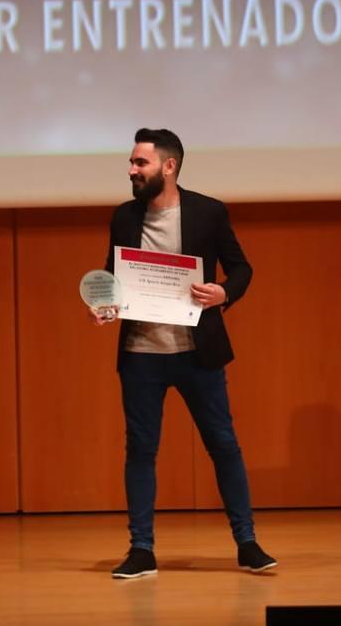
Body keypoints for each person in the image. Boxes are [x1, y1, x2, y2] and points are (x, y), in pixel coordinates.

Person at [99, 128, 277, 579]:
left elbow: (241, 267)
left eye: (141, 163)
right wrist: (104, 304)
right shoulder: (123, 217)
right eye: (132, 162)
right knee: (140, 449)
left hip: (198, 352)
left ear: (169, 166)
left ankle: (247, 543)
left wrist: (223, 292)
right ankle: (141, 550)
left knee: (223, 445)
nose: (132, 170)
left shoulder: (208, 212)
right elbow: (112, 276)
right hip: (141, 353)